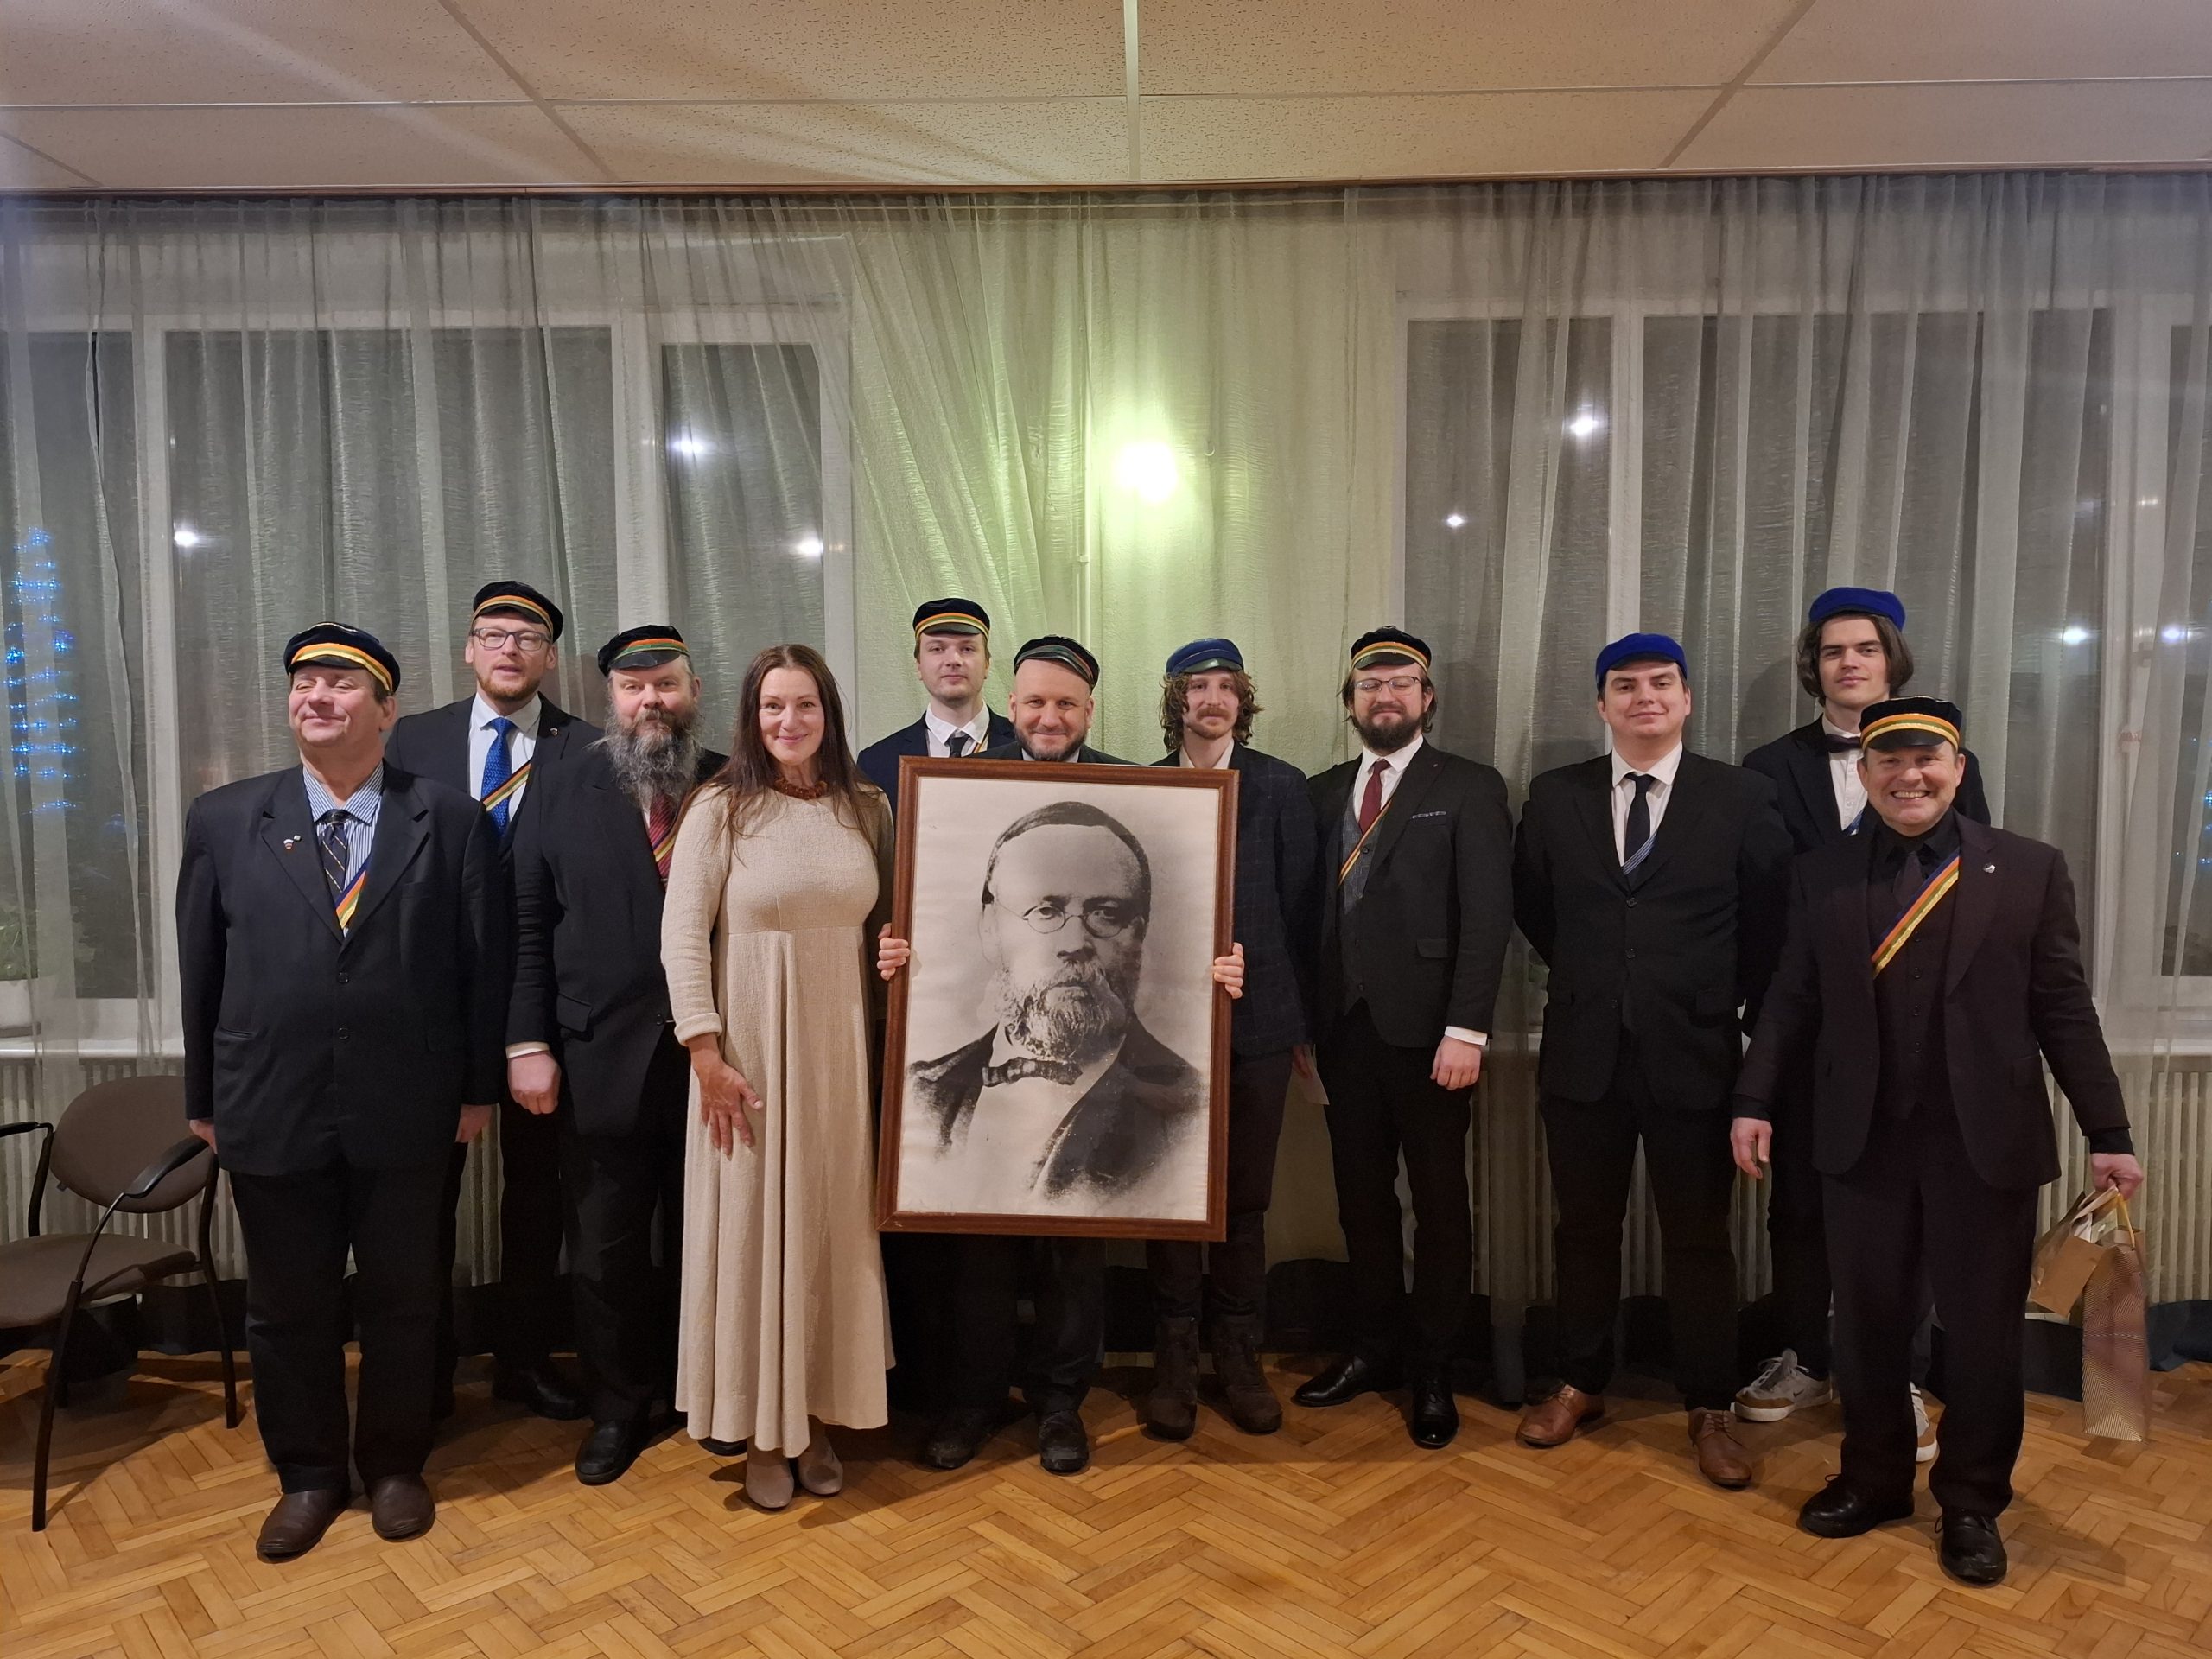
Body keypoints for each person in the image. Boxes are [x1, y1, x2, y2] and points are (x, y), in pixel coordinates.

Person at [1732, 696, 2142, 1586]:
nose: (1908, 775)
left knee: (1983, 1336)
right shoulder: (1821, 874)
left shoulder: (2026, 869)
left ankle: (1971, 1501)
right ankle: (1874, 1479)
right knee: (1869, 1327)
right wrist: (1753, 1099)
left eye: (1926, 759)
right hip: (1862, 1142)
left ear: (1957, 769)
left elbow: (2063, 1009)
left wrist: (2107, 1130)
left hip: (1983, 1144)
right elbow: (1791, 996)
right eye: (1888, 760)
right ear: (1865, 773)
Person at [877, 632, 1243, 1476]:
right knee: (976, 1257)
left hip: (1119, 1086)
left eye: (1105, 914)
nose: (1050, 716)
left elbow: (1204, 923)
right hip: (970, 1114)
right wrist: (897, 950)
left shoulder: (1137, 789)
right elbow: (910, 908)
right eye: (1043, 910)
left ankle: (1059, 1407)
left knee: (1078, 1257)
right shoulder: (962, 792)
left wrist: (1219, 967)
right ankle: (972, 1403)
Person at [177, 624, 507, 1560]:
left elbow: (480, 970)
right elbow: (200, 968)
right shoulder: (225, 818)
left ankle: (396, 1464)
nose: (316, 696)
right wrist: (204, 1095)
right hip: (269, 1101)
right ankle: (310, 1474)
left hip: (408, 1107)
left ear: (387, 710)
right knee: (288, 1307)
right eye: (304, 682)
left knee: (405, 1300)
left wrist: (477, 1089)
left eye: (341, 682)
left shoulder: (449, 820)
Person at [1510, 632, 1792, 1489]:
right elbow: (1535, 908)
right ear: (1601, 706)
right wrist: (1600, 980)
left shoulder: (1740, 796)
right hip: (1583, 1054)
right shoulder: (1556, 796)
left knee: (1699, 1240)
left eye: (1661, 683)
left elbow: (1769, 922)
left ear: (1686, 699)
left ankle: (1708, 1403)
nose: (1645, 698)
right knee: (1582, 1231)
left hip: (1695, 1054)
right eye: (1625, 686)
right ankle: (1580, 1381)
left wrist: (1704, 996)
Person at [1737, 587, 1989, 1446]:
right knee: (1800, 1204)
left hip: (1916, 1027)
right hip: (1807, 1023)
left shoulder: (1948, 758)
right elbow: (1756, 899)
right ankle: (1807, 1357)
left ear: (1892, 661)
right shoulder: (1768, 767)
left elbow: (1971, 889)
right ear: (1814, 666)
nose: (1849, 663)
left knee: (1909, 1205)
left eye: (1866, 649)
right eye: (1833, 650)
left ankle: (1899, 1374)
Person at [659, 643, 895, 1512]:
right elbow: (683, 935)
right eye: (772, 706)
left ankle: (818, 1416)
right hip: (747, 1059)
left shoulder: (864, 806)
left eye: (804, 705)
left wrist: (897, 954)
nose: (788, 721)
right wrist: (705, 1052)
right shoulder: (720, 807)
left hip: (839, 1056)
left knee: (829, 1229)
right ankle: (762, 1429)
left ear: (828, 714)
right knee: (756, 1232)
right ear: (750, 717)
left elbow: (889, 925)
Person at [506, 626, 726, 1484]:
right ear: (611, 701)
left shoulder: (730, 782)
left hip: (716, 1058)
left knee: (712, 1239)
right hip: (597, 1055)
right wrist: (528, 1041)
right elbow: (528, 922)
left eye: (665, 684)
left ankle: (709, 1394)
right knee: (604, 1251)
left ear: (693, 690)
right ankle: (618, 1409)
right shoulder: (558, 784)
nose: (651, 702)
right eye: (633, 689)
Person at [1293, 628, 1513, 1450]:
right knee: (1361, 1201)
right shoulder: (1320, 792)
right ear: (1350, 701)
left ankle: (1434, 1368)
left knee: (1441, 1207)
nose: (1384, 695)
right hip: (1341, 1034)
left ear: (1427, 698)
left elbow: (1487, 917)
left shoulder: (1470, 785)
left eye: (1400, 682)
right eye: (1369, 684)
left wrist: (1467, 1028)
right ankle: (1374, 1348)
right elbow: (1303, 915)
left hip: (1433, 1040)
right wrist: (1302, 1025)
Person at [385, 579, 593, 1426]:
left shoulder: (588, 750)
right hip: (435, 1006)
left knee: (539, 1195)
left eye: (528, 637)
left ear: (550, 658)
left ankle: (524, 1359)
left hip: (549, 1003)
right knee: (424, 1196)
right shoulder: (412, 740)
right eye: (494, 634)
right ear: (469, 649)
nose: (510, 648)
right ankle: (425, 1371)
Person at [1142, 638, 1319, 1439]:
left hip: (1259, 1028)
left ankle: (1239, 1356)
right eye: (1197, 686)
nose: (1211, 699)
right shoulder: (1146, 787)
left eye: (1226, 686)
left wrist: (1293, 1017)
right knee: (1171, 1195)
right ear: (1176, 700)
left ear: (1242, 702)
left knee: (1245, 1199)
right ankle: (1174, 1360)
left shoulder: (1281, 786)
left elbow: (1300, 912)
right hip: (1162, 1031)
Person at [901, 801, 1207, 1217]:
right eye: (1045, 911)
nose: (1074, 942)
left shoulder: (1189, 1110)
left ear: (1139, 937)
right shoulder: (922, 1089)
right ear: (990, 927)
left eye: (1106, 914)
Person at [857, 596, 1017, 804]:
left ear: (987, 664)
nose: (953, 660)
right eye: (937, 649)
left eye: (967, 649)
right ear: (918, 665)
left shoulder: (1028, 747)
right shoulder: (876, 763)